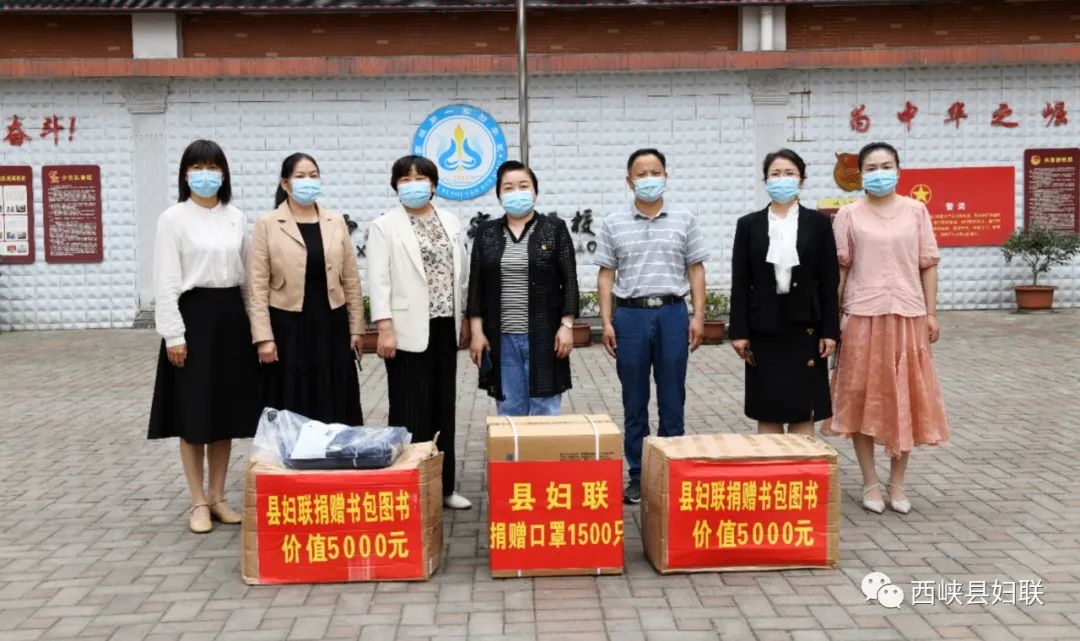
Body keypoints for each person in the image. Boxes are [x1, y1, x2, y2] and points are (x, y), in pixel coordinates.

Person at [824, 141, 949, 515]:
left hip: (908, 316)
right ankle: (870, 482)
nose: (879, 173)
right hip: (862, 315)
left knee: (904, 396)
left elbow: (928, 263)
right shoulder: (848, 215)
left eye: (886, 166)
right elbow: (841, 270)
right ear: (860, 175)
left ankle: (897, 484)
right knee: (862, 397)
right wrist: (832, 320)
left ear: (898, 170)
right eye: (871, 168)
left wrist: (931, 313)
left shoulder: (916, 211)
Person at [148, 139, 260, 534]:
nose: (206, 175)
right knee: (194, 414)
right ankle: (197, 501)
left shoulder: (236, 217)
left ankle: (218, 497)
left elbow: (247, 279)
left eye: (213, 167)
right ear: (185, 174)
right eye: (198, 167)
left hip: (231, 320)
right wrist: (173, 335)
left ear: (224, 174)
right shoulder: (173, 219)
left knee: (224, 414)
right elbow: (165, 281)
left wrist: (256, 328)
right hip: (193, 318)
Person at [595, 148, 709, 505]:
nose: (649, 179)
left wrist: (699, 316)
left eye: (655, 172)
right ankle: (638, 475)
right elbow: (606, 274)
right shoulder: (613, 222)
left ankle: (672, 470)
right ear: (629, 181)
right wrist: (606, 321)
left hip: (672, 313)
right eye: (641, 174)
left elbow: (696, 269)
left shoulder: (685, 219)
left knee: (673, 395)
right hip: (631, 316)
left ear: (666, 177)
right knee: (634, 399)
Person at [366, 155, 472, 510]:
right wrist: (384, 327)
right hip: (405, 329)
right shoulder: (384, 226)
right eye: (405, 179)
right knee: (410, 408)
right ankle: (410, 488)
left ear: (434, 184)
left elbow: (461, 273)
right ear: (395, 185)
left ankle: (444, 487)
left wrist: (464, 318)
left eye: (420, 178)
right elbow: (378, 280)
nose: (413, 185)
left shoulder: (450, 221)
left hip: (444, 326)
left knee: (444, 406)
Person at [247, 153, 365, 426]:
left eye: (313, 175)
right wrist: (263, 337)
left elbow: (351, 279)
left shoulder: (335, 221)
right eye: (300, 176)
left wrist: (357, 328)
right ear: (285, 183)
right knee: (292, 399)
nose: (308, 181)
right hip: (287, 326)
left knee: (333, 398)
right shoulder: (268, 223)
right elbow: (257, 286)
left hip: (331, 324)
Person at [729, 149, 840, 435]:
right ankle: (772, 462)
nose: (782, 179)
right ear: (765, 180)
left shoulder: (818, 223)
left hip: (806, 326)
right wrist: (739, 331)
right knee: (767, 408)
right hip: (763, 327)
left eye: (789, 173)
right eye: (775, 174)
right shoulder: (748, 224)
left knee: (804, 409)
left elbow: (830, 280)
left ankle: (802, 463)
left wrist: (830, 331)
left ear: (801, 180)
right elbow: (740, 281)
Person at [467, 160, 579, 416]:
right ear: (499, 195)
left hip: (546, 335)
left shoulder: (554, 229)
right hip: (502, 338)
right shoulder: (486, 232)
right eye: (508, 188)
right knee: (509, 408)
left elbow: (570, 282)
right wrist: (476, 332)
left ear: (535, 192)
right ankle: (512, 446)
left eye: (523, 186)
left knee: (545, 407)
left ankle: (542, 446)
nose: (516, 192)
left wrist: (567, 326)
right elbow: (476, 287)